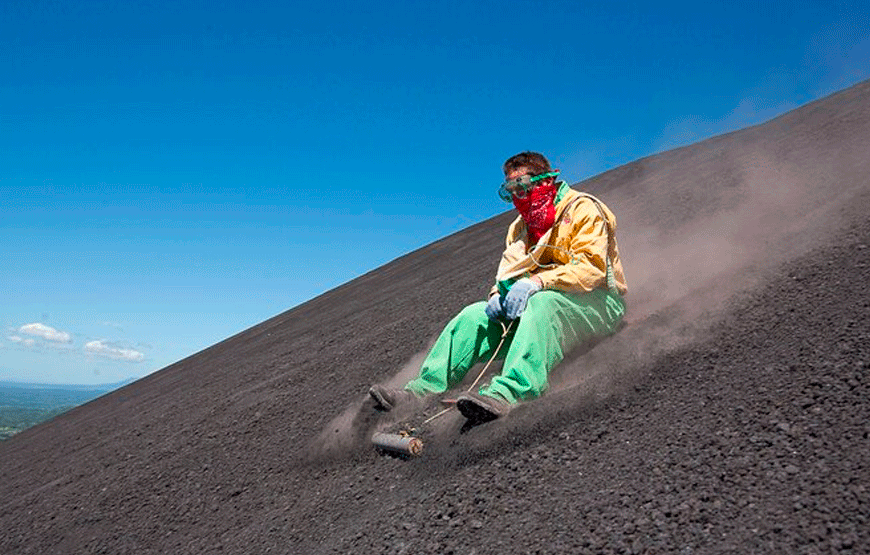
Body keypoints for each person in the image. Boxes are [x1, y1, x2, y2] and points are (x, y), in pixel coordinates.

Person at [369, 151, 627, 424]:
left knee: (543, 304)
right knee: (473, 316)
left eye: (522, 186)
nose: (517, 197)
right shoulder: (519, 228)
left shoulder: (583, 209)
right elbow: (509, 272)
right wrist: (497, 295)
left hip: (598, 303)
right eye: (510, 191)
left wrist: (538, 281)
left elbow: (592, 269)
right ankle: (419, 391)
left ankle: (511, 393)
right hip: (540, 307)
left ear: (544, 182)